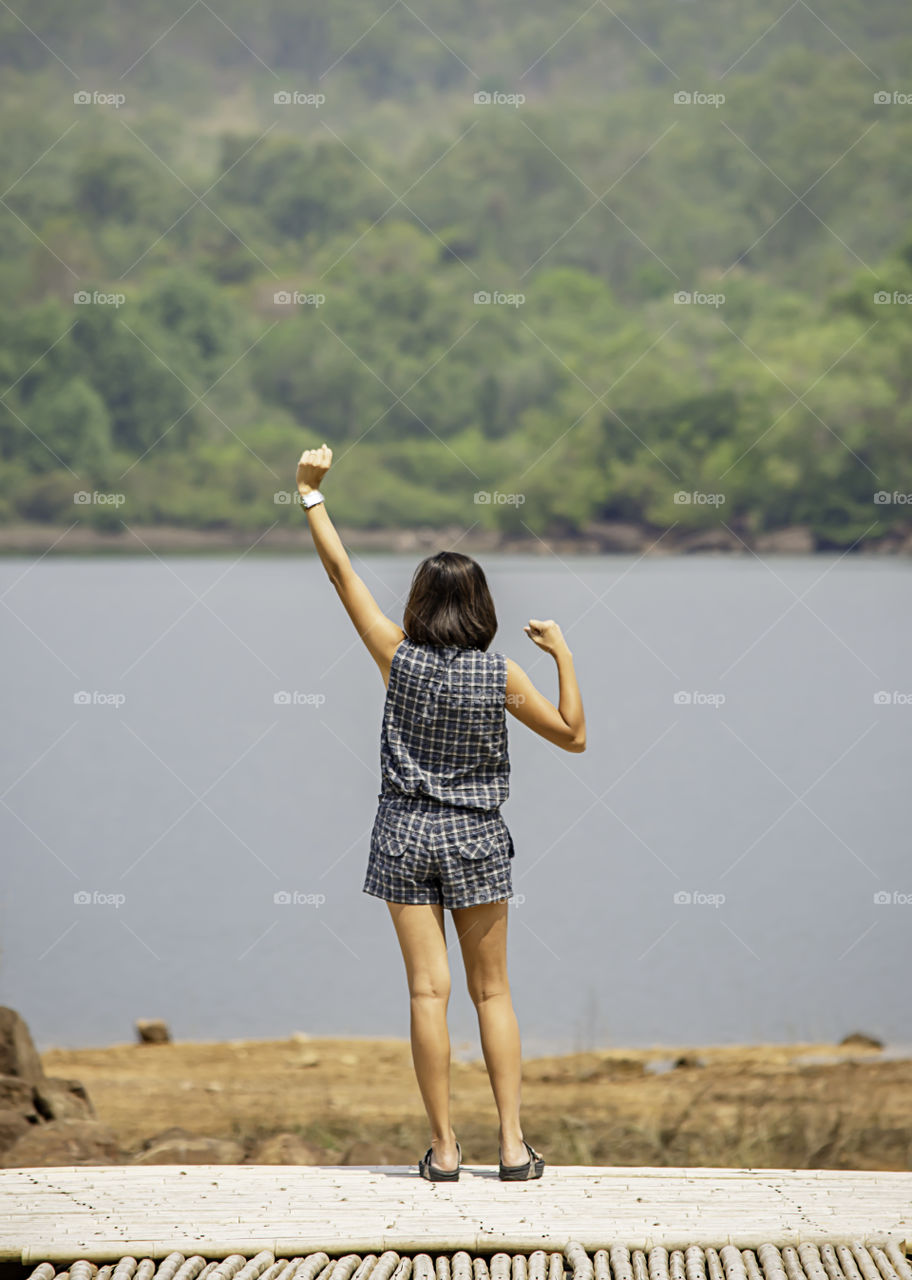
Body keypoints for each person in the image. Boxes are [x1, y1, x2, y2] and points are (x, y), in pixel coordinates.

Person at [296, 443, 586, 1182]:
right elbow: (573, 737)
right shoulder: (502, 675)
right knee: (493, 990)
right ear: (483, 607)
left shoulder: (397, 657)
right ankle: (514, 1148)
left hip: (403, 835)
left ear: (420, 605)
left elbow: (341, 574)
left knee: (428, 991)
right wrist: (563, 655)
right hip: (478, 838)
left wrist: (310, 494)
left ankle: (446, 1150)